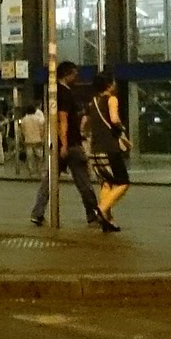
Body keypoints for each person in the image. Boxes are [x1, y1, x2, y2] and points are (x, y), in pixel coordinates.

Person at [30, 63, 103, 228]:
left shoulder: (55, 92)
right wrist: (64, 144)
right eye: (74, 74)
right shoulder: (64, 93)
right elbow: (62, 120)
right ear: (66, 75)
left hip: (61, 143)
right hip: (70, 144)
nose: (76, 78)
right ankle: (93, 213)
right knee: (83, 181)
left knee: (49, 181)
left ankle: (37, 213)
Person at [86, 73, 130, 232]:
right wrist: (121, 128)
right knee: (123, 182)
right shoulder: (111, 99)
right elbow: (114, 119)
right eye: (114, 82)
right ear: (109, 85)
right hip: (109, 148)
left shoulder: (92, 103)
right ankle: (101, 208)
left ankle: (108, 219)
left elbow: (85, 123)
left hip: (95, 150)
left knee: (106, 183)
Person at [19, 101, 45, 177]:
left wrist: (23, 139)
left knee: (30, 158)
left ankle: (32, 172)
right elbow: (42, 130)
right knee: (39, 157)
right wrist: (42, 138)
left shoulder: (24, 120)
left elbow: (22, 131)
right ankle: (39, 171)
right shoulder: (38, 119)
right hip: (38, 141)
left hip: (28, 141)